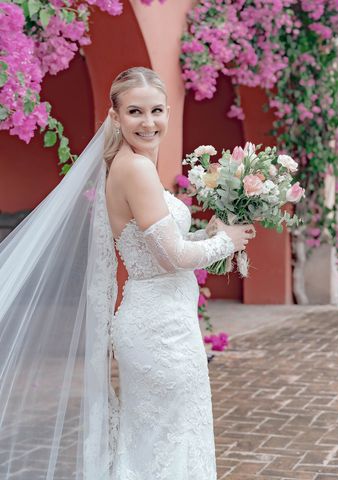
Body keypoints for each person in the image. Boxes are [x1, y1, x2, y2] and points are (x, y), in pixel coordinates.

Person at [0, 67, 255, 478]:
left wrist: (205, 232)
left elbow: (158, 242)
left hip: (159, 318)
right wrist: (227, 240)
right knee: (168, 436)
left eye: (157, 110)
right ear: (115, 116)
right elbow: (171, 256)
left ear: (169, 112)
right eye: (135, 111)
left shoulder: (131, 165)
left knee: (156, 436)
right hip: (161, 329)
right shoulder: (135, 169)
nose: (149, 121)